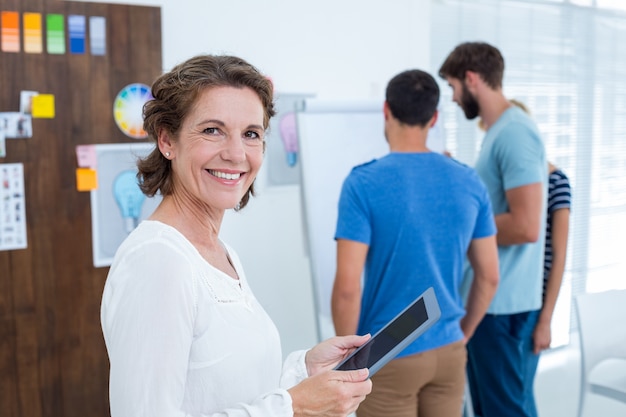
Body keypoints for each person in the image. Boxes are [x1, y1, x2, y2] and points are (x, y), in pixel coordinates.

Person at [100, 54, 372, 417]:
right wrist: (294, 407)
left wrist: (303, 371)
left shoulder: (218, 252)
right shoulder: (157, 261)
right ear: (167, 140)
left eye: (251, 134)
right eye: (212, 130)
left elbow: (228, 391)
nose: (235, 153)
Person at [331, 69, 500, 417]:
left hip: (390, 349)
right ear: (434, 117)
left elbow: (348, 289)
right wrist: (460, 335)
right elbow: (489, 276)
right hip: (450, 348)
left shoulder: (363, 183)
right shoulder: (468, 181)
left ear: (387, 110)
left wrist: (349, 366)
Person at [439, 42, 548, 417]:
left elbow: (526, 224)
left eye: (453, 87)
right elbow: (495, 202)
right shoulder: (499, 133)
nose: (453, 98)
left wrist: (463, 228)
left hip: (504, 306)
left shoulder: (515, 133)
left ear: (472, 79)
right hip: (493, 303)